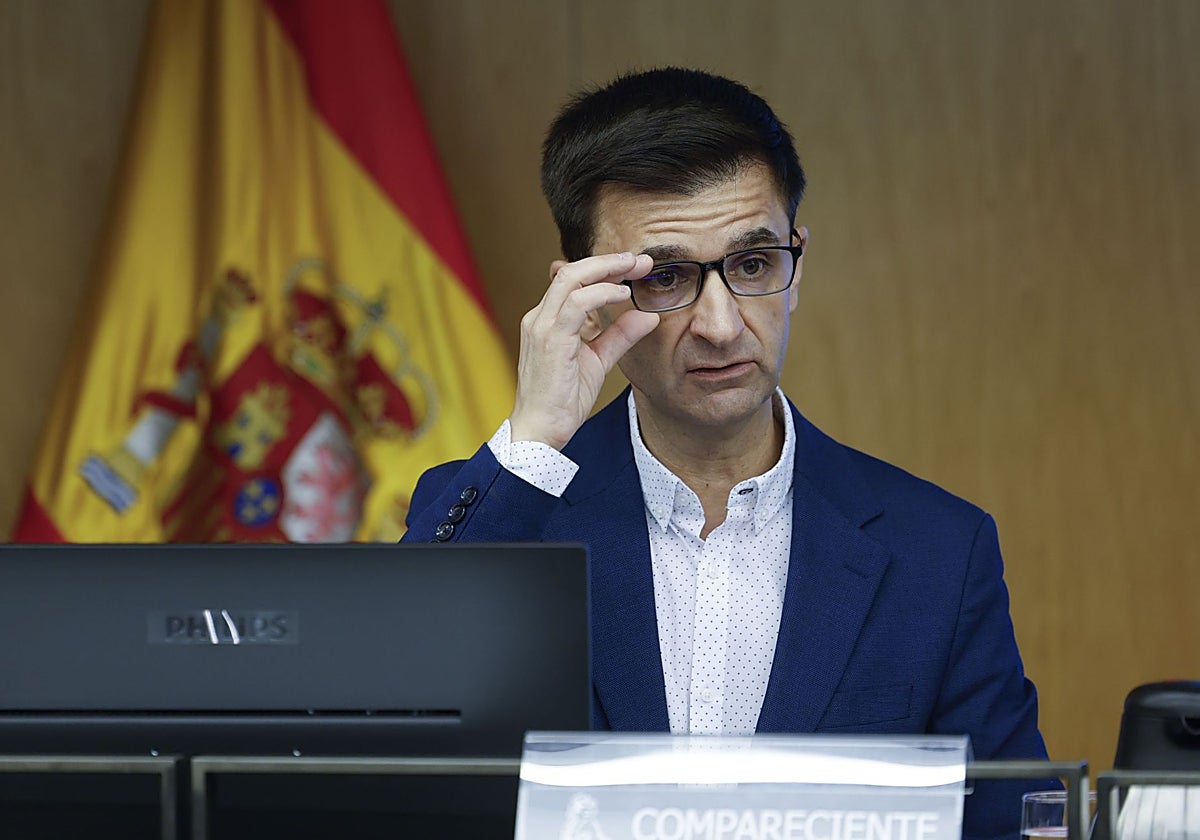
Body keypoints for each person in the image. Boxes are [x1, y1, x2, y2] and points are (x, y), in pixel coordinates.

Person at [403, 67, 1052, 838]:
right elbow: (401, 730)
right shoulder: (510, 506)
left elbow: (1016, 823)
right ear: (584, 290)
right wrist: (538, 435)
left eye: (751, 266)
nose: (719, 323)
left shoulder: (939, 551)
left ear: (796, 263)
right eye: (666, 276)